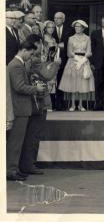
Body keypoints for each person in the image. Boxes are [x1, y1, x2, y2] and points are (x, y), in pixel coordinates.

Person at [6, 41, 46, 181]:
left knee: (17, 141)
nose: (30, 56)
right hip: (20, 109)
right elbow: (19, 87)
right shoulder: (16, 65)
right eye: (30, 53)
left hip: (20, 108)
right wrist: (36, 89)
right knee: (15, 142)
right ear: (24, 50)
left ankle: (14, 168)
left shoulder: (16, 64)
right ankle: (11, 170)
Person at [24, 33, 61, 175]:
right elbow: (47, 75)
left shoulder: (33, 60)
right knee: (34, 134)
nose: (43, 47)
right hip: (38, 100)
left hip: (35, 100)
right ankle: (29, 164)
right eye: (42, 44)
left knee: (33, 133)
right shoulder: (34, 60)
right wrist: (56, 65)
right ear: (37, 44)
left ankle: (28, 164)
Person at [58, 20, 95, 112]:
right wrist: (77, 59)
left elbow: (89, 51)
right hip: (73, 61)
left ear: (83, 28)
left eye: (79, 27)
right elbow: (69, 52)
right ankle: (73, 104)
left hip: (84, 61)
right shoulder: (71, 38)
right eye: (76, 27)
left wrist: (82, 60)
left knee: (82, 83)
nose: (77, 28)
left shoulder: (87, 38)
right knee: (73, 82)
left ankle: (81, 104)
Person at [53, 12, 71, 110]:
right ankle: (53, 103)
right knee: (52, 82)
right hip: (53, 59)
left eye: (59, 18)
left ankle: (61, 103)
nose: (56, 20)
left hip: (64, 59)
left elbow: (70, 43)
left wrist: (64, 46)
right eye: (55, 18)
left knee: (61, 81)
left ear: (63, 19)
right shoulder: (50, 29)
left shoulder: (69, 30)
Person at [42, 20, 59, 110]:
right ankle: (45, 105)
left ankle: (49, 104)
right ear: (45, 28)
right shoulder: (43, 38)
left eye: (53, 27)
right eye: (49, 27)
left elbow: (55, 52)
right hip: (45, 63)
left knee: (52, 83)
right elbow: (43, 53)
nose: (51, 29)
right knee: (46, 83)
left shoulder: (54, 39)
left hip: (53, 62)